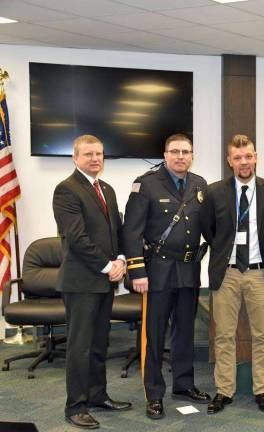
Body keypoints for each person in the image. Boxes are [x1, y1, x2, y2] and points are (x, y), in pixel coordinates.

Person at [122, 133, 210, 420]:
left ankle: (183, 385)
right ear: (165, 153)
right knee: (154, 335)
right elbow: (132, 231)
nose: (181, 156)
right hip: (156, 272)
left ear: (192, 155)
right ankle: (155, 393)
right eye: (175, 151)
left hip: (188, 270)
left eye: (186, 151)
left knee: (185, 331)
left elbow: (207, 226)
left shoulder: (199, 184)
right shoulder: (145, 184)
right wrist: (137, 270)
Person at [199, 134, 264, 414]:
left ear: (256, 157)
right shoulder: (214, 193)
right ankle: (224, 391)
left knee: (262, 335)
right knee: (224, 335)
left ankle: (262, 390)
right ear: (229, 161)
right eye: (237, 158)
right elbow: (209, 231)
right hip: (227, 273)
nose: (244, 162)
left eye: (248, 156)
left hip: (260, 273)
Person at [52, 134, 131, 430]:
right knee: (80, 346)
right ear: (75, 158)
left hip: (103, 282)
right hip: (81, 282)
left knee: (99, 343)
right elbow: (77, 238)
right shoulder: (66, 190)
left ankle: (98, 396)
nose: (95, 159)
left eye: (99, 154)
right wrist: (108, 265)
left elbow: (117, 230)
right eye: (88, 154)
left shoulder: (106, 189)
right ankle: (75, 405)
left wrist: (122, 259)